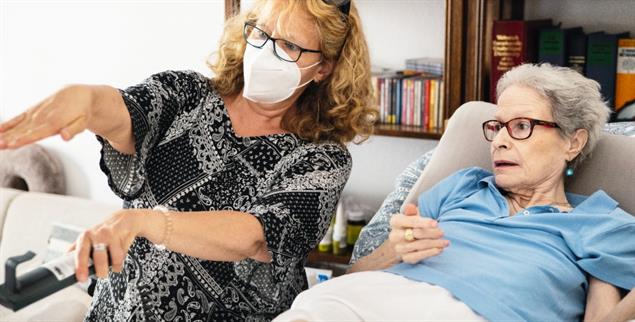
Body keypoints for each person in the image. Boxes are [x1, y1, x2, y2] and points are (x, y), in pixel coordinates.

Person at [0, 0, 377, 320]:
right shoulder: (187, 94)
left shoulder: (321, 158)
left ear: (324, 67)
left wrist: (150, 222)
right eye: (260, 33)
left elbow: (259, 236)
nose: (265, 52)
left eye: (289, 46)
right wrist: (85, 99)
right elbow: (129, 111)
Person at [273, 63, 635, 322]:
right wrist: (392, 251)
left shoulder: (597, 221)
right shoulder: (463, 186)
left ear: (573, 141)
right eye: (497, 127)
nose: (501, 142)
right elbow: (357, 278)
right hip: (372, 297)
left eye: (521, 126)